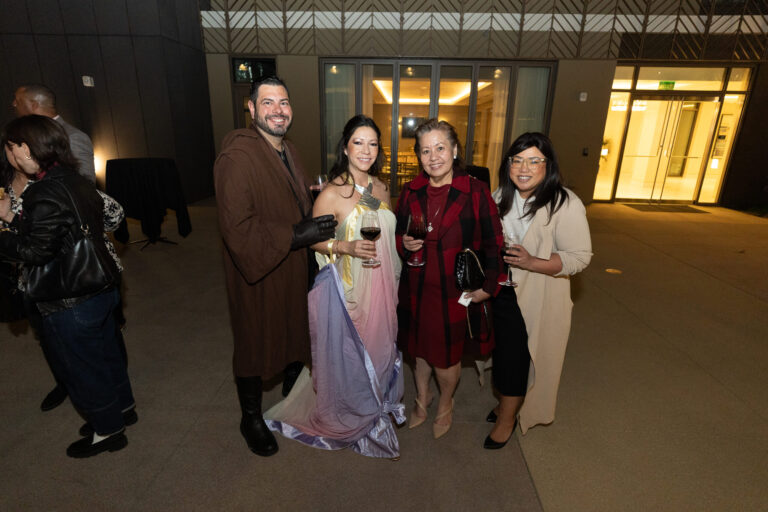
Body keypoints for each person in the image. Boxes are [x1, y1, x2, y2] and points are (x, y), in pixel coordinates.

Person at [264, 115, 405, 458]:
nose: (366, 150)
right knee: (350, 354)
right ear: (345, 147)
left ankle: (374, 406)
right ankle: (352, 413)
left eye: (373, 143)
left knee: (380, 345)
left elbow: (387, 231)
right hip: (348, 287)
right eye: (359, 142)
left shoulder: (382, 188)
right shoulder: (331, 192)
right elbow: (311, 242)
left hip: (382, 282)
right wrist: (346, 247)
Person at [213, 76, 337, 457]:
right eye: (267, 103)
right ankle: (250, 418)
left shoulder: (289, 150)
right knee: (254, 341)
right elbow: (239, 229)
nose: (278, 110)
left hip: (289, 264)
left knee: (293, 327)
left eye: (283, 102)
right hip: (258, 270)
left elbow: (284, 197)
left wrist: (310, 199)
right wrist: (300, 232)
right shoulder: (236, 157)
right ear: (250, 109)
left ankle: (292, 387)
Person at [0, 115, 134, 458]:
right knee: (106, 355)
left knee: (83, 368)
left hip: (71, 297)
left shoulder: (41, 193)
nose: (8, 152)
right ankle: (123, 409)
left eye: (11, 146)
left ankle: (109, 431)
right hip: (101, 285)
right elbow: (60, 231)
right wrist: (12, 218)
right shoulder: (72, 179)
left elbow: (33, 251)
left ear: (26, 150)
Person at [395, 119, 503, 439]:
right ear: (419, 157)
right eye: (426, 151)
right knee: (419, 351)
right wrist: (405, 243)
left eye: (440, 148)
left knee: (445, 357)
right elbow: (400, 234)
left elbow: (496, 243)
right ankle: (421, 398)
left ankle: (445, 403)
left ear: (455, 150)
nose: (434, 157)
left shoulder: (476, 192)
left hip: (454, 292)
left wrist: (488, 288)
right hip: (416, 288)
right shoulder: (411, 191)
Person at [485, 132, 592, 449]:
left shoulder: (565, 203)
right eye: (517, 160)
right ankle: (505, 403)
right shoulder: (500, 195)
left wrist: (532, 262)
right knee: (502, 352)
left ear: (548, 165)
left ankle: (507, 420)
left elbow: (579, 258)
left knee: (518, 359)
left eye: (534, 161)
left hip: (539, 296)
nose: (523, 168)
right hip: (502, 290)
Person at [12, 84, 96, 183]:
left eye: (18, 101)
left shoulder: (73, 137)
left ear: (34, 105)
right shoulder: (26, 135)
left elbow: (85, 183)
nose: (13, 104)